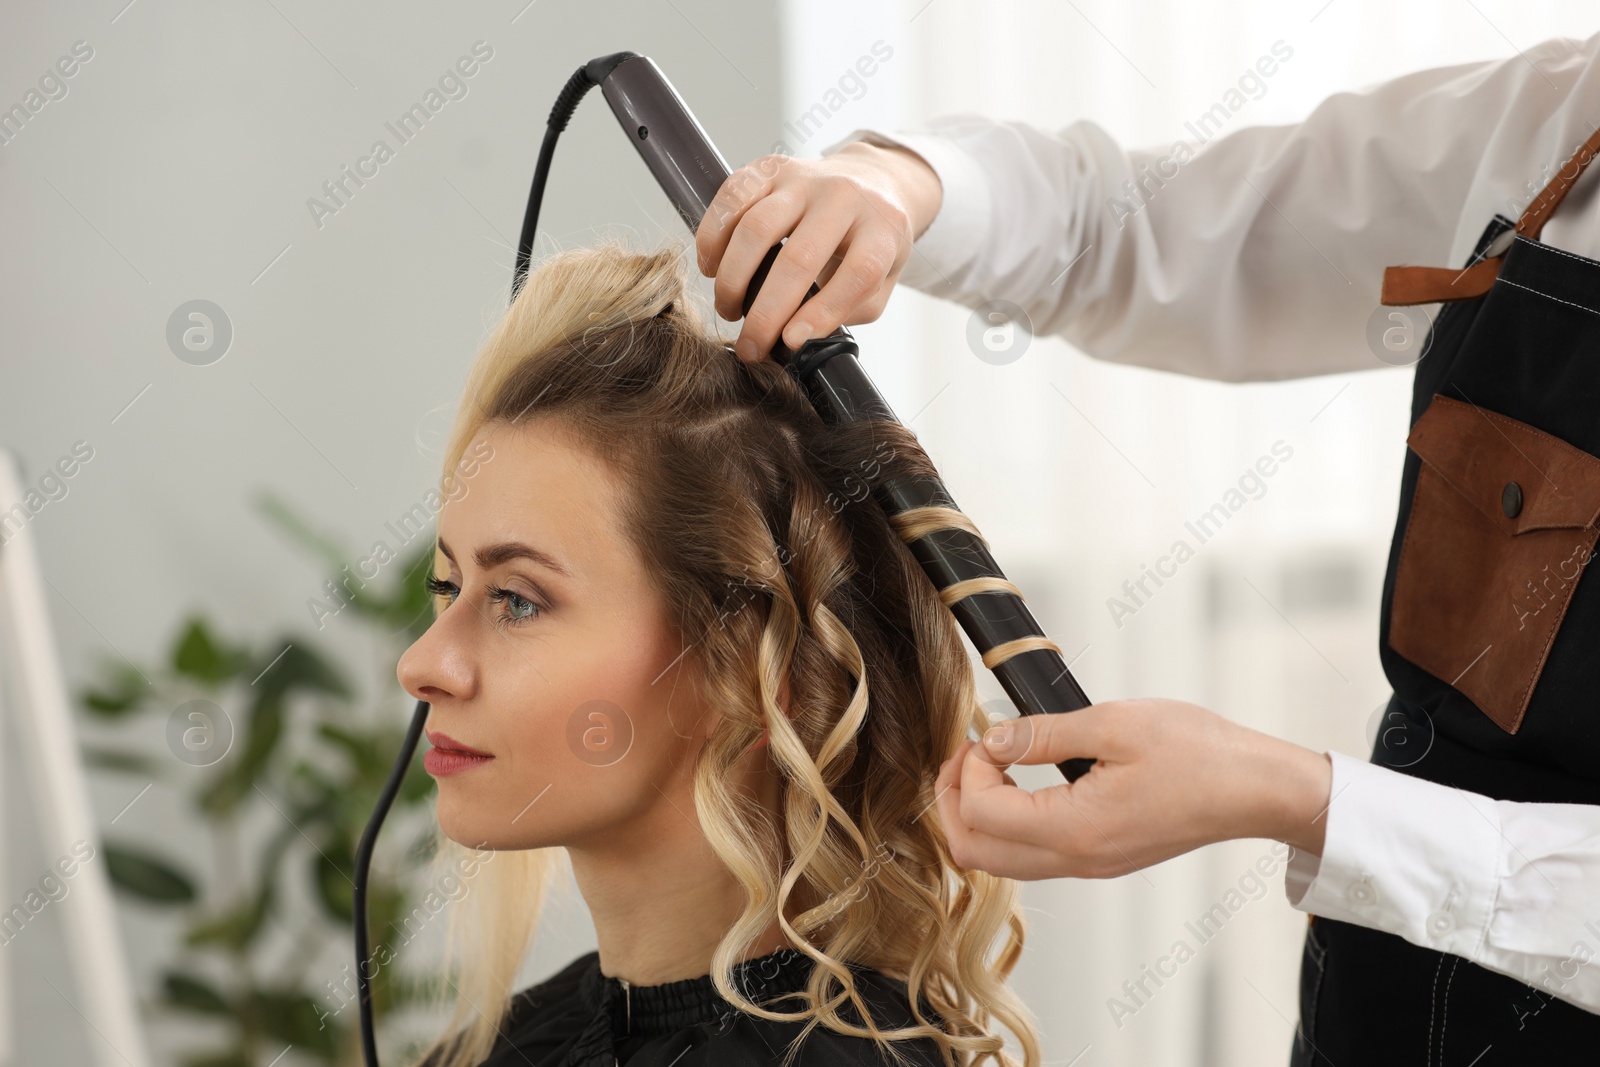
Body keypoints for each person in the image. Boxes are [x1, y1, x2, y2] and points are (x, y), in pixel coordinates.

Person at [696, 30, 1600, 1066]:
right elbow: (1130, 231)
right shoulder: (1554, 124)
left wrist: (1293, 796)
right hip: (1378, 1008)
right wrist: (897, 183)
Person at [394, 240, 1043, 1067]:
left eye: (517, 599)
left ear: (748, 666)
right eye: (448, 587)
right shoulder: (500, 1046)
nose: (421, 663)